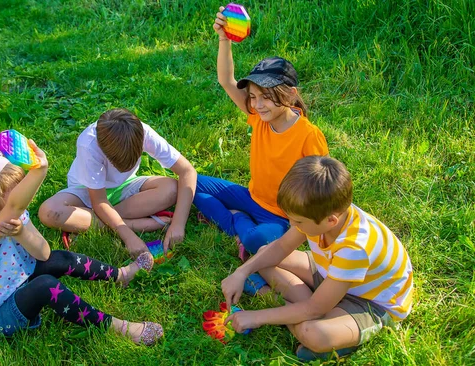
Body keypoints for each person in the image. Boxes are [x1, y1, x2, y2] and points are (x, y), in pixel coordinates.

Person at [0, 143, 163, 345]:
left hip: (17, 282)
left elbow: (43, 254)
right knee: (45, 286)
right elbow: (15, 206)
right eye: (16, 192)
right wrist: (39, 171)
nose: (24, 196)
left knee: (60, 258)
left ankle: (121, 275)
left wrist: (23, 232)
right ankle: (118, 328)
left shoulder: (17, 217)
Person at [221, 156, 414, 361]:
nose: (292, 224)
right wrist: (240, 273)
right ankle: (305, 311)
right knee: (264, 255)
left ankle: (281, 303)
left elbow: (315, 309)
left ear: (331, 220)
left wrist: (256, 317)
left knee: (312, 333)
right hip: (332, 273)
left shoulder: (354, 248)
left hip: (370, 302)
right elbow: (280, 247)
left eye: (298, 221)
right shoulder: (322, 211)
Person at [193, 7, 329, 290]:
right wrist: (224, 39)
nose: (257, 104)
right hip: (251, 197)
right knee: (191, 184)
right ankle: (240, 221)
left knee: (257, 240)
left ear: (291, 94)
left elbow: (318, 192)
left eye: (266, 97)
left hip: (282, 216)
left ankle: (238, 226)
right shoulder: (260, 118)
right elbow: (226, 81)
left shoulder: (308, 135)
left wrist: (298, 228)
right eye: (253, 97)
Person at [39, 108, 197, 257]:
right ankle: (133, 224)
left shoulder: (143, 132)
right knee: (49, 211)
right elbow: (99, 201)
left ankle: (89, 222)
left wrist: (178, 224)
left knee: (171, 188)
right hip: (86, 192)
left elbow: (187, 171)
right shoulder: (88, 144)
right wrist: (128, 235)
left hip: (125, 187)